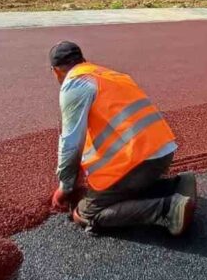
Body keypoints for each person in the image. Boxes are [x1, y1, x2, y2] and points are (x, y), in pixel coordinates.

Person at [49, 41, 197, 235]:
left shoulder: (74, 84)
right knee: (120, 190)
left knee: (86, 213)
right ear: (82, 60)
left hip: (139, 161)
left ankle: (168, 209)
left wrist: (65, 187)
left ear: (55, 71)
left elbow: (71, 143)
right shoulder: (108, 74)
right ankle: (176, 186)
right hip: (163, 151)